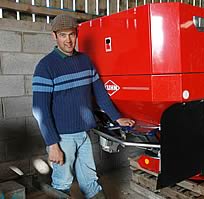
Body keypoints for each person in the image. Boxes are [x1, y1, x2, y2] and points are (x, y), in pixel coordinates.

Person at [32, 14, 135, 199]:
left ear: (76, 34)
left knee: (90, 181)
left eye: (71, 34)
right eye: (63, 35)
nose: (68, 40)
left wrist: (116, 116)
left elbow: (100, 93)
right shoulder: (45, 67)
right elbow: (40, 110)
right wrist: (52, 144)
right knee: (62, 184)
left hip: (84, 135)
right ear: (54, 37)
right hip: (63, 138)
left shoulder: (85, 61)